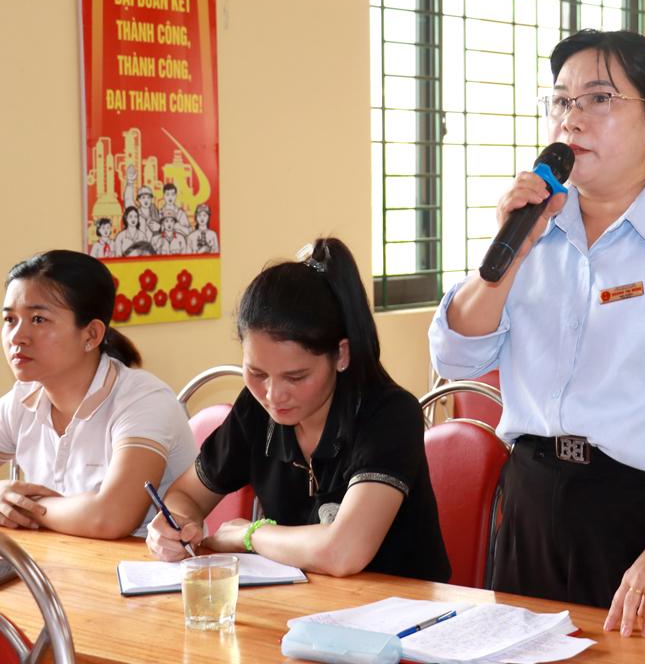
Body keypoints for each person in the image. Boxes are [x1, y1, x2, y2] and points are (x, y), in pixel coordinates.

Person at [429, 29, 645, 638]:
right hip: (531, 501)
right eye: (562, 100)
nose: (572, 118)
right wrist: (512, 250)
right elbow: (456, 355)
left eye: (598, 99)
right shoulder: (533, 229)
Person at [146, 238, 449, 580]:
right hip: (303, 602)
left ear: (341, 355)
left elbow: (344, 552)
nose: (273, 395)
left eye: (296, 377)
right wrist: (173, 525)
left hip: (401, 606)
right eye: (257, 373)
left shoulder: (389, 414)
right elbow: (185, 494)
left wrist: (251, 534)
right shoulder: (256, 410)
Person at [0, 250, 196, 537]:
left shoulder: (143, 400)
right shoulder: (22, 399)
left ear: (91, 335)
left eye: (38, 319)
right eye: (9, 319)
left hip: (144, 562)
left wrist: (23, 506)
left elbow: (112, 516)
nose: (16, 337)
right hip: (62, 558)